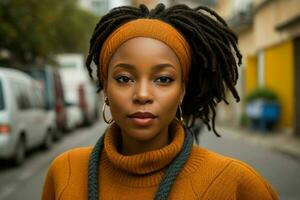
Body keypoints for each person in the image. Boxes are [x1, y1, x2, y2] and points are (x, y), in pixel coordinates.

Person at [42, 3, 279, 200]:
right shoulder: (65, 172)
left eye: (163, 79)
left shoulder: (235, 184)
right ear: (105, 88)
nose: (143, 94)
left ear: (182, 91)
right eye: (124, 78)